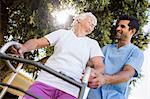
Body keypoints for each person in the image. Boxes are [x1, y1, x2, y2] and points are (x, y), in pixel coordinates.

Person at [16, 12, 104, 99]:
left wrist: (95, 73)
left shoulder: (92, 43)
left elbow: (99, 65)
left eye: (94, 24)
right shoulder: (62, 33)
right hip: (47, 80)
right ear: (79, 19)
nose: (93, 23)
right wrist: (23, 48)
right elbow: (37, 43)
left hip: (71, 87)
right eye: (91, 20)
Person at [87, 14, 144, 99]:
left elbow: (127, 74)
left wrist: (104, 79)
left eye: (122, 26)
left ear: (132, 31)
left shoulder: (136, 52)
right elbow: (90, 64)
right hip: (94, 96)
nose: (118, 29)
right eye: (118, 26)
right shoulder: (106, 48)